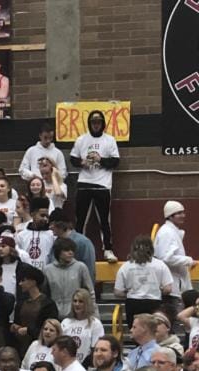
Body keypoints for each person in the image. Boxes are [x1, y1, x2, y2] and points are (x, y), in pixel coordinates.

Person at [70, 110, 120, 263]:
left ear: (103, 124)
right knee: (80, 220)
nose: (96, 125)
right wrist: (81, 162)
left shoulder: (110, 140)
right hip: (84, 183)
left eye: (98, 122)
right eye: (93, 122)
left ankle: (108, 249)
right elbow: (72, 158)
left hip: (102, 184)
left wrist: (101, 159)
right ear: (89, 123)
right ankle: (77, 250)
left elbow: (116, 161)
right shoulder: (81, 140)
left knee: (104, 219)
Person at [115, 235, 173, 328]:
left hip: (133, 303)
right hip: (154, 302)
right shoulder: (160, 264)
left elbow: (118, 292)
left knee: (136, 331)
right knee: (153, 331)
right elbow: (168, 289)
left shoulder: (125, 266)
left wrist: (130, 292)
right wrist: (157, 290)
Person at [153, 200, 196, 314]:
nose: (183, 215)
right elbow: (165, 258)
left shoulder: (171, 231)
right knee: (172, 318)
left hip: (175, 284)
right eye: (179, 213)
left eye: (183, 212)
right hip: (171, 286)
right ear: (170, 216)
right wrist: (188, 260)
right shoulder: (167, 233)